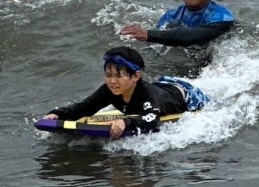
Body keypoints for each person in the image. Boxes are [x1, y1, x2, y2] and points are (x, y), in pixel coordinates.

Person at [40, 46, 209, 139]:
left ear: (135, 76)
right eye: (108, 75)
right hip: (162, 86)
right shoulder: (111, 89)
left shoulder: (147, 95)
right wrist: (57, 114)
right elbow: (85, 108)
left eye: (118, 76)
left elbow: (151, 118)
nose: (112, 81)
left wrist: (126, 122)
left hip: (186, 95)